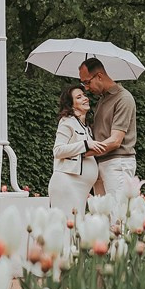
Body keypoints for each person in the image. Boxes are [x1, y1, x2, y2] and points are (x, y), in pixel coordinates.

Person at [78, 57, 137, 197]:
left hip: (117, 163)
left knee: (118, 210)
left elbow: (115, 141)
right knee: (101, 210)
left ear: (99, 76)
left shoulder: (123, 98)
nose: (86, 88)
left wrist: (81, 153)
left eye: (87, 82)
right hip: (100, 162)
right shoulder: (102, 99)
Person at [48, 85, 103, 219]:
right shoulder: (67, 122)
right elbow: (58, 150)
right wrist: (85, 144)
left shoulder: (87, 127)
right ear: (71, 104)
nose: (85, 98)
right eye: (79, 97)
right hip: (67, 184)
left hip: (81, 188)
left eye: (84, 95)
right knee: (67, 225)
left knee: (76, 226)